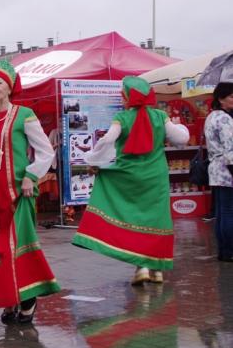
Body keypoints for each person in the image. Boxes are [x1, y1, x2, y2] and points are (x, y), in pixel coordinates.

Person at [73, 76, 189, 284]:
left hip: (128, 176)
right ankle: (157, 268)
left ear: (126, 97)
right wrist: (181, 128)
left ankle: (142, 267)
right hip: (155, 177)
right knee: (156, 219)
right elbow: (181, 139)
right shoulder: (160, 116)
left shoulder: (122, 118)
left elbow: (107, 139)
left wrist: (94, 160)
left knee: (133, 218)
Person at [0, 59, 59, 324]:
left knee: (17, 246)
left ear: (9, 88)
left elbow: (45, 151)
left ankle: (28, 298)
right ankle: (8, 299)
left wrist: (32, 175)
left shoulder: (24, 115)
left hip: (19, 194)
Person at [204, 82, 233, 262]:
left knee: (222, 212)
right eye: (231, 96)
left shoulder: (211, 116)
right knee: (229, 212)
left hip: (216, 169)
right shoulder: (225, 119)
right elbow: (231, 148)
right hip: (228, 168)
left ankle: (224, 250)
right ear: (221, 99)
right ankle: (229, 250)